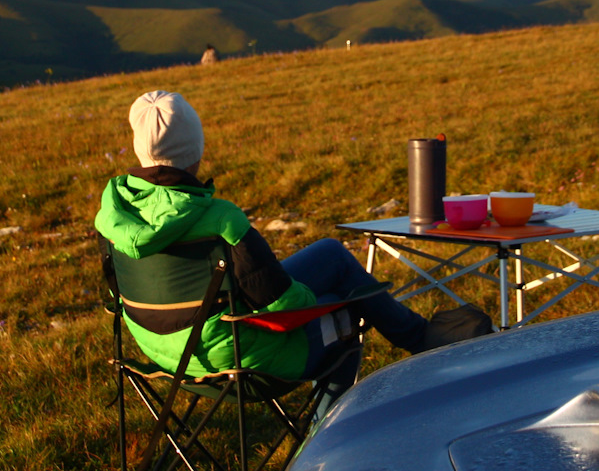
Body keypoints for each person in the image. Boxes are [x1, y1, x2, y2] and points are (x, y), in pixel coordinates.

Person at [96, 91, 489, 393]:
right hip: (236, 356)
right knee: (344, 311)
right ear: (194, 152)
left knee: (330, 257)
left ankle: (417, 335)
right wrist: (324, 300)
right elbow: (279, 302)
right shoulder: (220, 220)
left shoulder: (113, 216)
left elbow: (115, 298)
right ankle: (330, 436)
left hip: (161, 353)